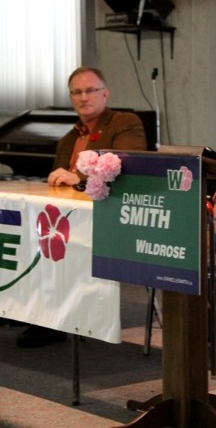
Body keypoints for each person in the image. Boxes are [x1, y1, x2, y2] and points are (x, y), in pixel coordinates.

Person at [17, 66, 147, 347]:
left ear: (105, 93)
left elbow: (128, 166)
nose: (83, 97)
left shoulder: (125, 123)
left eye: (90, 90)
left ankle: (53, 319)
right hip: (73, 218)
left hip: (114, 217)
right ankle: (29, 309)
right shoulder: (68, 139)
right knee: (26, 227)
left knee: (50, 238)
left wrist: (78, 178)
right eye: (76, 92)